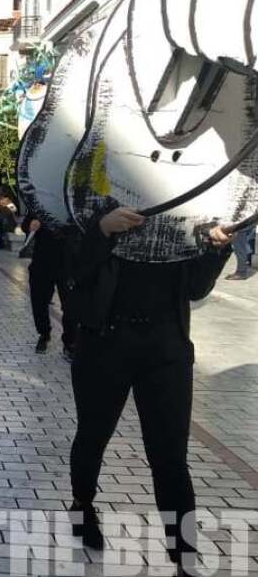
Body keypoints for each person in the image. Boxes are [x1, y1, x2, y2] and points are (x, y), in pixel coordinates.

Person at [68, 207, 233, 574]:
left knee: (170, 457)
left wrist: (216, 249)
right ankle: (82, 504)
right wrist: (101, 229)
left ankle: (184, 557)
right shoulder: (99, 203)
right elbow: (76, 271)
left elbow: (195, 288)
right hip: (104, 345)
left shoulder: (186, 217)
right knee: (93, 435)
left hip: (166, 349)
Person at [22, 214, 78, 358]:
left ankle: (70, 341)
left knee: (71, 304)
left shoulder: (71, 205)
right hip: (42, 261)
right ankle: (44, 334)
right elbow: (25, 224)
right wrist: (31, 224)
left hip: (68, 263)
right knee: (39, 301)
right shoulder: (41, 206)